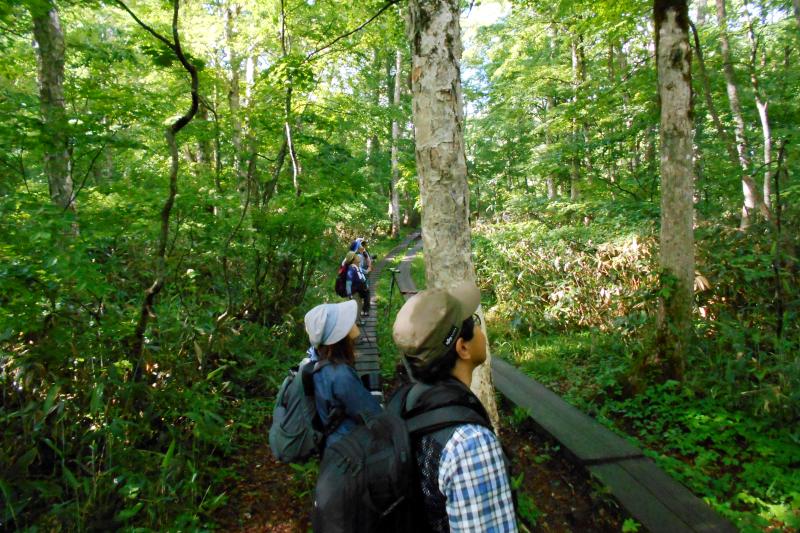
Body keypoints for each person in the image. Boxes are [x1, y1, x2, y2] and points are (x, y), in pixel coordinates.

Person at [392, 282, 518, 532]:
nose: (482, 329)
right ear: (462, 347)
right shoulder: (470, 444)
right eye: (475, 322)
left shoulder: (411, 401)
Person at [304, 300, 382, 448]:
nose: (353, 327)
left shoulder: (315, 361)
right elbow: (373, 415)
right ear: (339, 338)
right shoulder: (340, 375)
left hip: (331, 442)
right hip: (347, 448)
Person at [344, 251, 370, 317]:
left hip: (361, 288)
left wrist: (369, 268)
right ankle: (356, 321)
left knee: (360, 303)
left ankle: (360, 318)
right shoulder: (351, 269)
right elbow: (348, 283)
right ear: (353, 260)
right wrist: (349, 294)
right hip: (356, 291)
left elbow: (365, 272)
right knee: (357, 305)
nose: (358, 257)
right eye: (356, 256)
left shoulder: (358, 267)